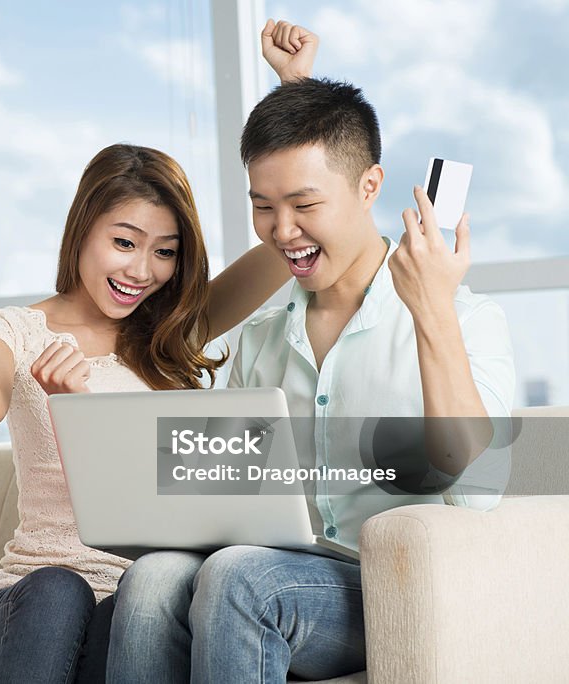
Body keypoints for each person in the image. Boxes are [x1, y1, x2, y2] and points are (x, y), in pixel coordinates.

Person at [0, 22, 315, 683]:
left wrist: (295, 91)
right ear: (83, 231)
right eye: (124, 242)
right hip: (27, 608)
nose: (142, 270)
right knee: (59, 589)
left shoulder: (172, 334)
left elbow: (285, 245)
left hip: (135, 608)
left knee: (147, 604)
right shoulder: (19, 329)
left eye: (165, 252)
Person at [106, 55, 516, 684]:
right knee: (155, 575)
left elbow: (478, 487)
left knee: (241, 577)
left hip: (401, 585)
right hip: (276, 569)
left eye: (303, 203)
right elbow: (228, 497)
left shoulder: (463, 317)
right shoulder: (263, 339)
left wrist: (431, 310)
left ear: (369, 186)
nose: (282, 230)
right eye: (263, 206)